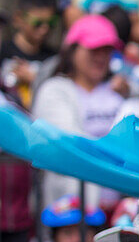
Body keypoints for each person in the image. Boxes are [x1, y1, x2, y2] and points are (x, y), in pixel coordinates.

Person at [32, 15, 125, 205]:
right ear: (72, 50)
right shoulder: (54, 90)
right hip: (71, 215)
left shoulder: (120, 92)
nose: (101, 56)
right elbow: (69, 141)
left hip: (118, 212)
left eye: (107, 50)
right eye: (93, 49)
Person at [1, 0, 58, 108]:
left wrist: (34, 79)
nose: (44, 29)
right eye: (37, 23)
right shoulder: (2, 51)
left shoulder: (54, 59)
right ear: (18, 19)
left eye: (51, 23)